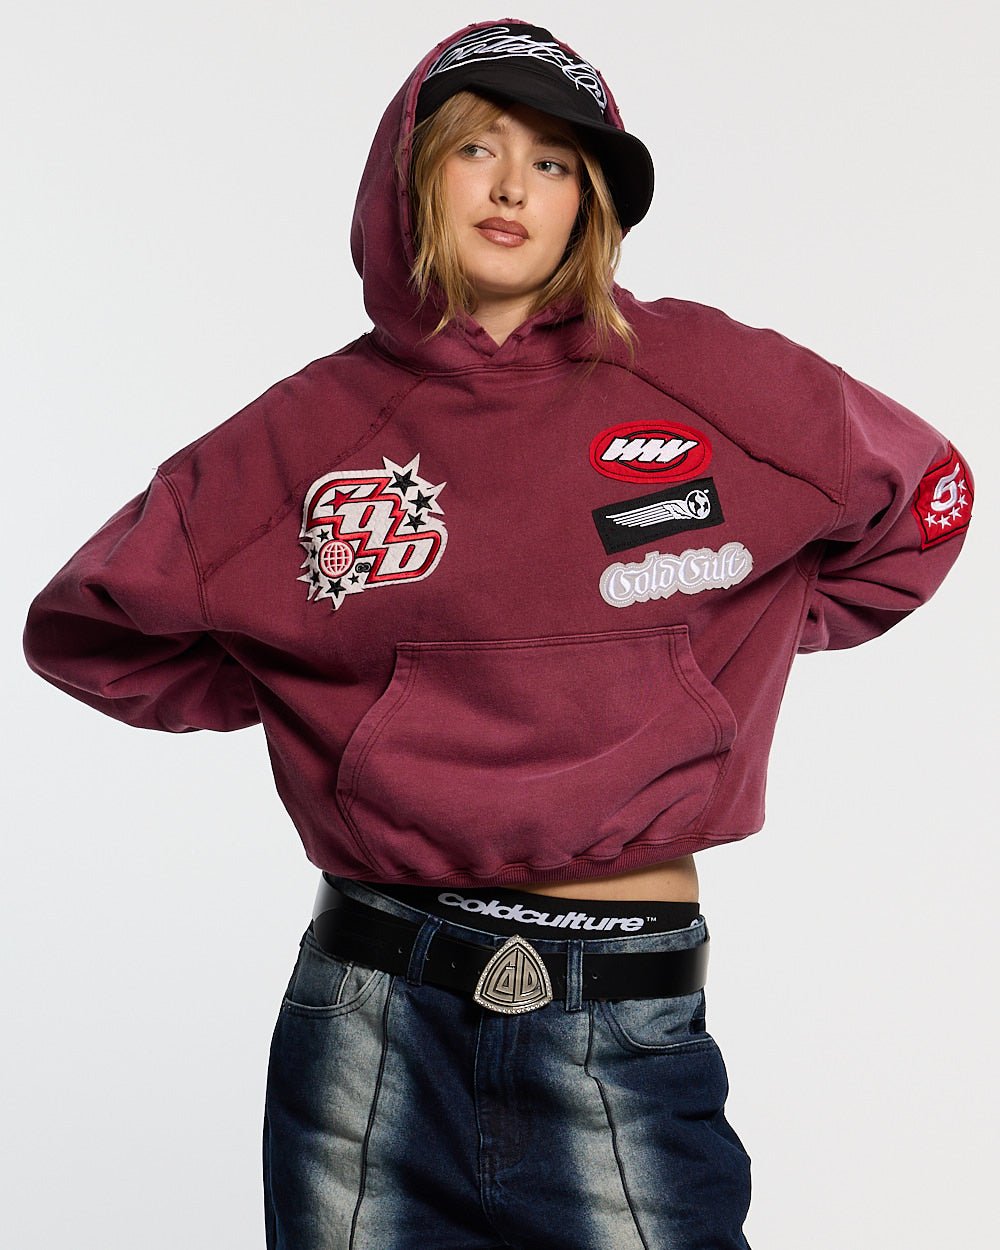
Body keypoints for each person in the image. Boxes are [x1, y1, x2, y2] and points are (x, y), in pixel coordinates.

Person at [22, 18, 974, 1250]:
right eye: (477, 147)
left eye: (554, 160)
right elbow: (94, 625)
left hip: (618, 997)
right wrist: (339, 698)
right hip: (368, 1005)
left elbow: (925, 498)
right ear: (410, 177)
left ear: (592, 202)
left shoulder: (709, 376)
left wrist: (720, 641)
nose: (514, 184)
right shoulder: (311, 428)